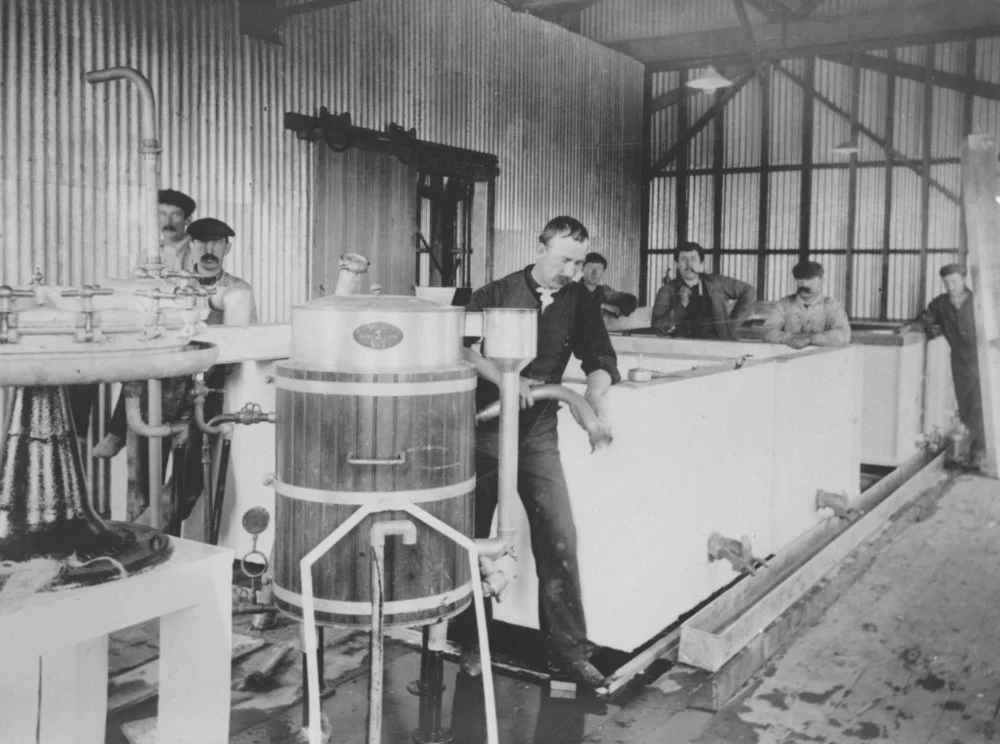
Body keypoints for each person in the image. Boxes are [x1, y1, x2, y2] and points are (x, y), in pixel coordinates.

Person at [452, 216, 619, 689]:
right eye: (564, 258)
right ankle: (470, 643)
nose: (571, 269)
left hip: (539, 431)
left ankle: (568, 654)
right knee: (470, 535)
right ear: (540, 247)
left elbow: (600, 358)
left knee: (559, 536)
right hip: (483, 429)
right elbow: (462, 349)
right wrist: (508, 379)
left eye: (579, 261)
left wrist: (595, 399)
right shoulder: (494, 292)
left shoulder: (582, 302)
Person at [899, 263, 985, 468]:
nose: (951, 286)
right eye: (947, 282)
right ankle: (975, 450)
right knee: (965, 406)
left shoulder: (977, 301)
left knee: (980, 405)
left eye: (954, 281)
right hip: (959, 363)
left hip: (981, 362)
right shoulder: (940, 304)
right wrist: (911, 327)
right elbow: (926, 319)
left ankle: (979, 453)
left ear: (964, 280)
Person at [651, 242, 754, 339]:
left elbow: (748, 291)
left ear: (701, 264)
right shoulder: (666, 290)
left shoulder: (716, 283)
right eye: (683, 259)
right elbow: (657, 328)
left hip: (718, 347)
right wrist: (681, 306)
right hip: (682, 351)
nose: (688, 264)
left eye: (693, 259)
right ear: (677, 264)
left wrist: (732, 325)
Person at [762, 260, 851, 349]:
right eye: (800, 279)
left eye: (809, 279)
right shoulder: (783, 305)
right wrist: (792, 338)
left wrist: (810, 339)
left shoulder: (832, 306)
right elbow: (767, 333)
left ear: (821, 281)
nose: (804, 284)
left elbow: (843, 335)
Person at [580, 252, 637, 321]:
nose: (595, 272)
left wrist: (617, 308)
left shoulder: (603, 290)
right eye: (591, 267)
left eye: (599, 269)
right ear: (582, 268)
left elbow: (629, 299)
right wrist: (603, 306)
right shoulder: (571, 290)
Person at [158, 189, 198, 271]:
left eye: (175, 215)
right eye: (162, 215)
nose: (168, 221)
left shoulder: (200, 251)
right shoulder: (148, 254)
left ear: (188, 219)